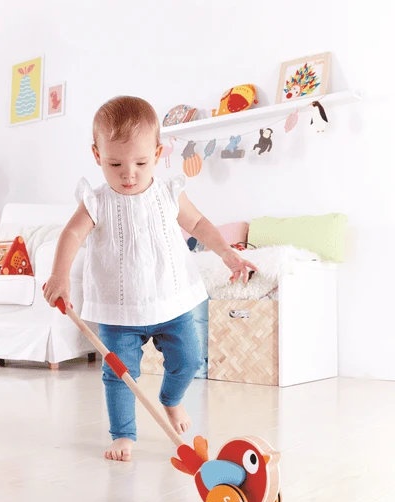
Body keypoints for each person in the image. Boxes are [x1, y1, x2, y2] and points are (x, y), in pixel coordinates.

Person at [44, 96, 256, 461]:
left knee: (189, 360)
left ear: (157, 154)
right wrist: (59, 275)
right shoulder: (96, 201)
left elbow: (198, 223)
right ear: (97, 155)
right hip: (119, 311)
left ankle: (171, 399)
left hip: (170, 300)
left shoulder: (168, 193)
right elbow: (72, 234)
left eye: (140, 163)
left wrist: (225, 251)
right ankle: (123, 434)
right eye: (115, 164)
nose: (128, 174)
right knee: (118, 373)